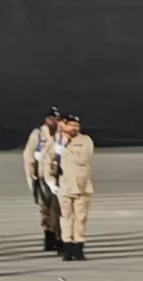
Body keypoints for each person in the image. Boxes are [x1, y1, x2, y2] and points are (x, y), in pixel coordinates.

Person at [54, 112, 94, 261]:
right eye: (71, 125)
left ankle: (79, 247)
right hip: (64, 186)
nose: (74, 128)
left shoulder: (85, 140)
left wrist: (63, 150)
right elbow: (48, 161)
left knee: (80, 218)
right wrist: (50, 180)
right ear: (64, 126)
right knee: (66, 217)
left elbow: (83, 158)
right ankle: (67, 247)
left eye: (76, 126)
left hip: (81, 186)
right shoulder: (57, 141)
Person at [23, 108, 63, 253]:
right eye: (53, 119)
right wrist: (31, 175)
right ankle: (49, 237)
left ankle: (59, 238)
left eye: (57, 119)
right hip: (41, 177)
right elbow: (28, 156)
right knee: (44, 209)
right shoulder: (38, 134)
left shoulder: (61, 135)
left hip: (57, 177)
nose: (55, 122)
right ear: (47, 119)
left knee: (57, 208)